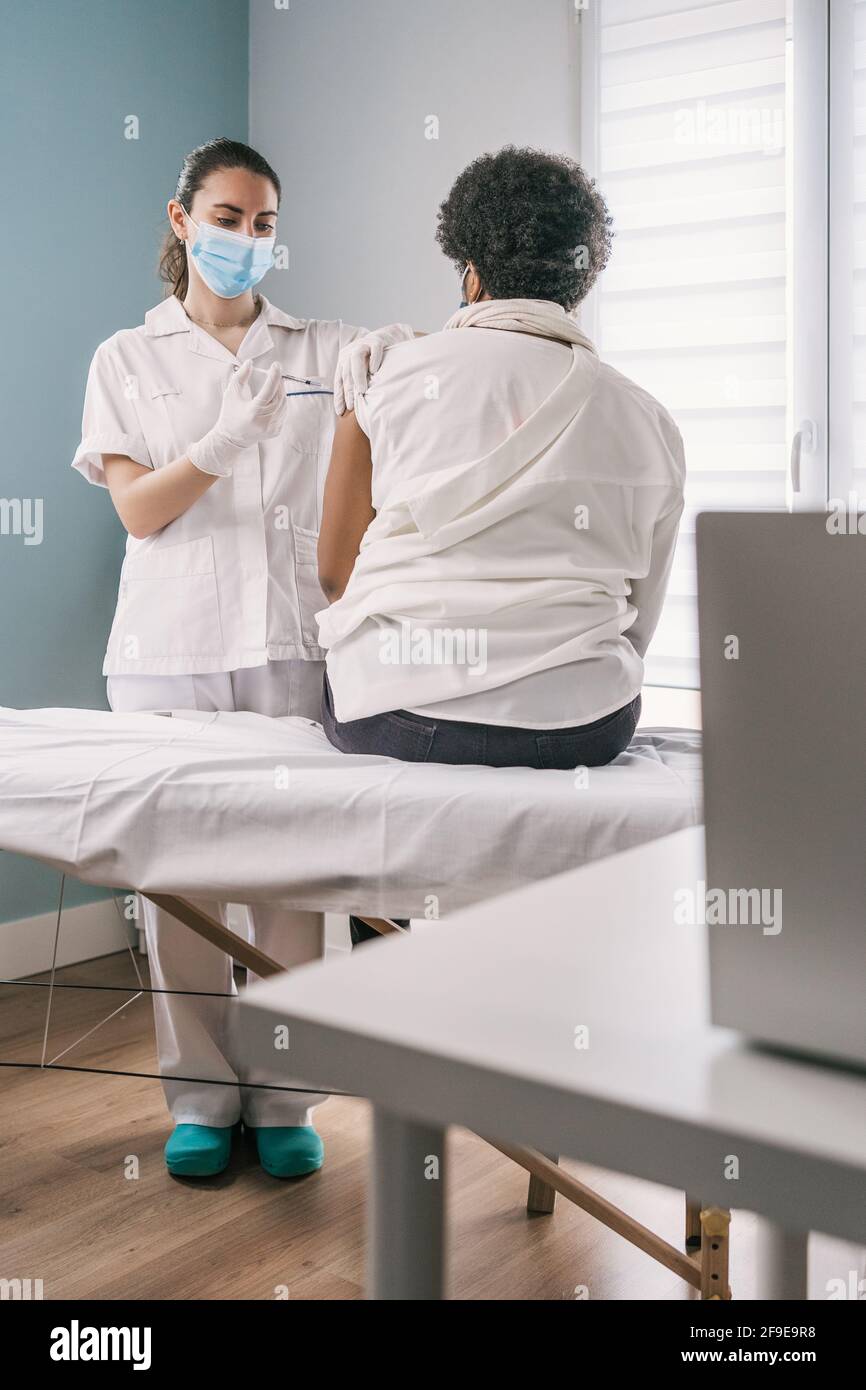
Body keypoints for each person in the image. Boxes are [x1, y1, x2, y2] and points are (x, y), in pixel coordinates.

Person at [72, 138, 412, 1177]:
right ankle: (201, 1097)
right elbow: (138, 510)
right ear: (181, 223)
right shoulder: (127, 359)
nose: (246, 240)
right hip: (166, 647)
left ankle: (285, 1097)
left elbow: (419, 380)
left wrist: (406, 355)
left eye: (263, 225)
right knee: (180, 884)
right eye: (226, 219)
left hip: (291, 642)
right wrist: (215, 446)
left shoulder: (322, 346)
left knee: (291, 879)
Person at [317, 146, 685, 791]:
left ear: (471, 273)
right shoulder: (649, 419)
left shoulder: (381, 376)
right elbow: (639, 615)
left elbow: (333, 573)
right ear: (581, 278)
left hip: (398, 710)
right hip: (584, 725)